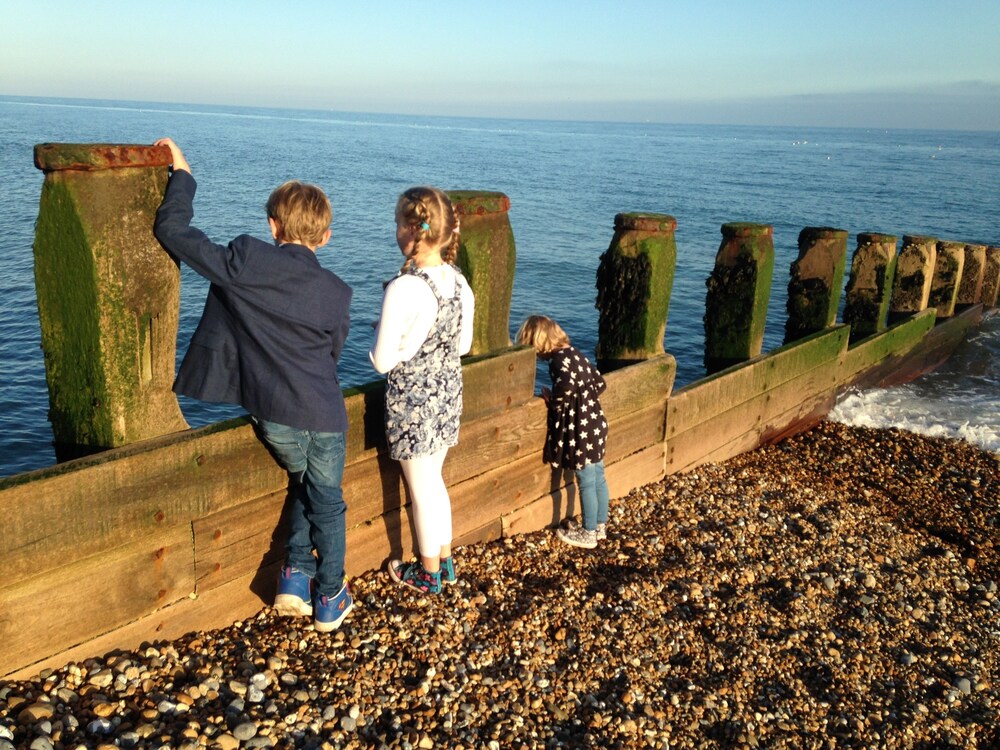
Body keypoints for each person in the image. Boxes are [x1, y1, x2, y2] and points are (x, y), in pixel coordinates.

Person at [152, 138, 354, 632]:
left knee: (307, 487)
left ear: (272, 225)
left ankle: (293, 577)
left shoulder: (245, 260)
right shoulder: (337, 292)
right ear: (325, 237)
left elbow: (172, 230)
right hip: (325, 414)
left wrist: (183, 174)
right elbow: (333, 354)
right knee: (325, 499)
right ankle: (329, 597)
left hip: (276, 415)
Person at [370, 186, 475, 594]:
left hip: (413, 402)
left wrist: (386, 341)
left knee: (421, 489)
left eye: (399, 224)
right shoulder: (459, 282)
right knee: (434, 480)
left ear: (414, 230)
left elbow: (383, 360)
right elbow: (463, 346)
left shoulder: (404, 288)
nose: (395, 231)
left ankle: (429, 574)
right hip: (448, 393)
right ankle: (445, 562)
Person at [516, 315, 610, 549]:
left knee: (586, 481)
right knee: (598, 476)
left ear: (538, 342)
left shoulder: (558, 360)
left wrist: (554, 402)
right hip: (596, 423)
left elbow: (566, 386)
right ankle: (600, 526)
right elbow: (600, 384)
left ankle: (588, 534)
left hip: (580, 431)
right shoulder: (576, 353)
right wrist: (583, 400)